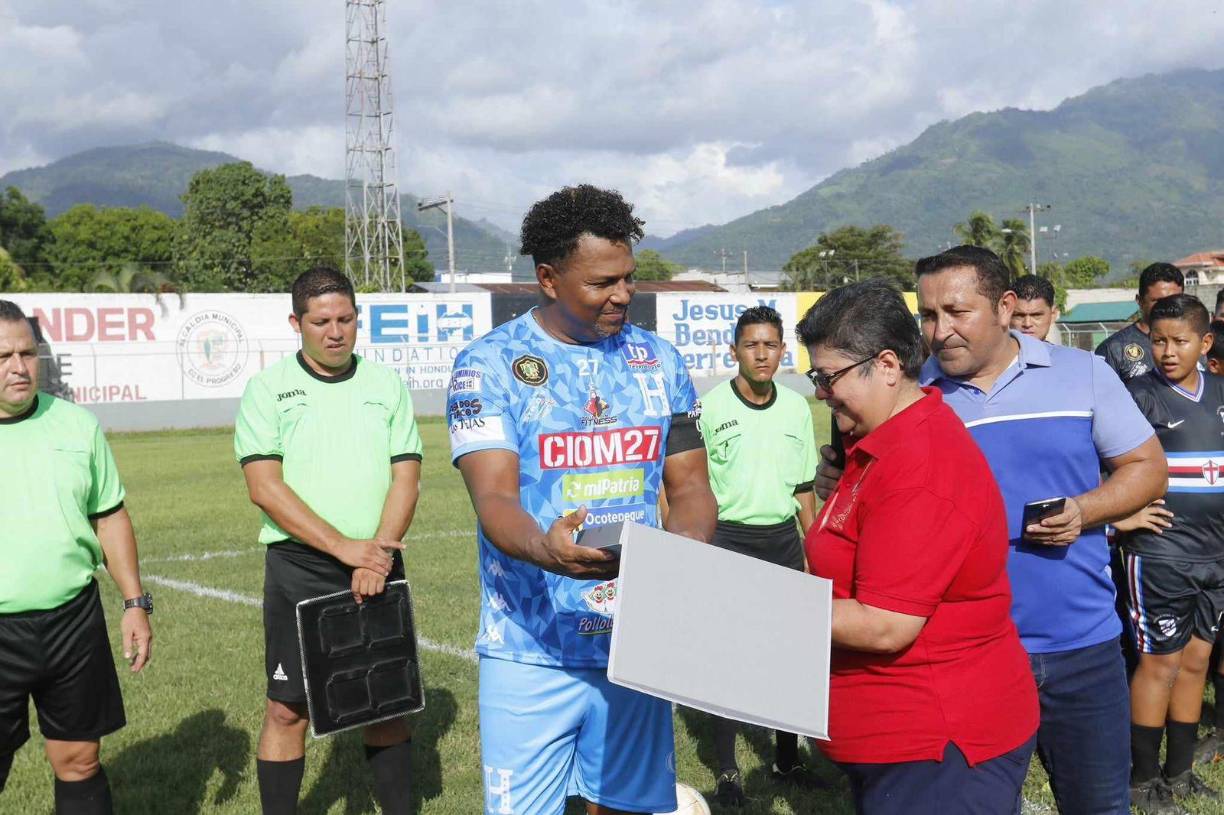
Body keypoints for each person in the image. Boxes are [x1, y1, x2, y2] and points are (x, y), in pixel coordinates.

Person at [816, 246, 1167, 814]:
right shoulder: (905, 393)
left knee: (1098, 805)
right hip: (958, 661)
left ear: (1005, 307)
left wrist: (1085, 510)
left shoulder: (1083, 375)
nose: (940, 331)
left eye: (957, 312)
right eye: (928, 316)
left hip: (1076, 641)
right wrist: (837, 480)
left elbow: (1148, 470)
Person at [448, 184, 717, 815]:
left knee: (625, 807)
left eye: (628, 278)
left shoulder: (660, 361)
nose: (623, 294)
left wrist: (686, 552)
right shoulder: (487, 366)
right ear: (547, 278)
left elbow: (691, 488)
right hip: (529, 647)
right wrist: (547, 547)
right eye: (602, 283)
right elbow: (493, 497)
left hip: (636, 644)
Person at [799, 280, 1038, 814]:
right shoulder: (875, 443)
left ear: (886, 364)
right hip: (893, 740)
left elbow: (886, 624)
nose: (820, 391)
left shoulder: (920, 464)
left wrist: (758, 602)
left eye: (827, 376)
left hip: (939, 745)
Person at [234, 267, 423, 815]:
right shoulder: (268, 389)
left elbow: (406, 476)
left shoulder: (385, 385)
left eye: (345, 319)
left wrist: (379, 553)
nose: (335, 332)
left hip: (380, 561)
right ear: (297, 323)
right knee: (287, 708)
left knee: (386, 704)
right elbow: (264, 488)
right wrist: (345, 549)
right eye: (321, 321)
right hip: (302, 567)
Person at [0, 299, 153, 815]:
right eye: (3, 356)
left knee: (80, 761)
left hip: (72, 620)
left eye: (27, 353)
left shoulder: (76, 425)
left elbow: (109, 517)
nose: (19, 367)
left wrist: (136, 603)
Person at [696, 305, 820, 806]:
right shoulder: (709, 408)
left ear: (782, 351)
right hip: (728, 539)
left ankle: (786, 758)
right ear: (735, 351)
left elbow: (806, 488)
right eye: (752, 345)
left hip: (784, 541)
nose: (762, 354)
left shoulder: (795, 407)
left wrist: (815, 550)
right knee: (729, 659)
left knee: (789, 655)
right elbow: (684, 486)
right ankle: (727, 769)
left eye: (771, 344)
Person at [1114, 295, 1224, 812]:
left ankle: (1179, 773)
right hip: (1161, 554)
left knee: (1198, 660)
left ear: (1204, 343)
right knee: (1160, 663)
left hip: (1217, 557)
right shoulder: (1135, 396)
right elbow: (1096, 468)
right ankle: (1142, 778)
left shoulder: (1222, 393)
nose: (1167, 350)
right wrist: (1120, 517)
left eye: (1180, 340)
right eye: (1158, 340)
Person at [1095, 263, 1185, 382]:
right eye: (1158, 301)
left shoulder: (1197, 344)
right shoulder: (1114, 349)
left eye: (1174, 300)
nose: (1167, 306)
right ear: (1140, 301)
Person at [1009, 274, 1060, 341]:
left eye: (1036, 315)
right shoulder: (993, 351)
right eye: (1019, 315)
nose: (1027, 324)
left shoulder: (1068, 352)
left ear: (1053, 314)